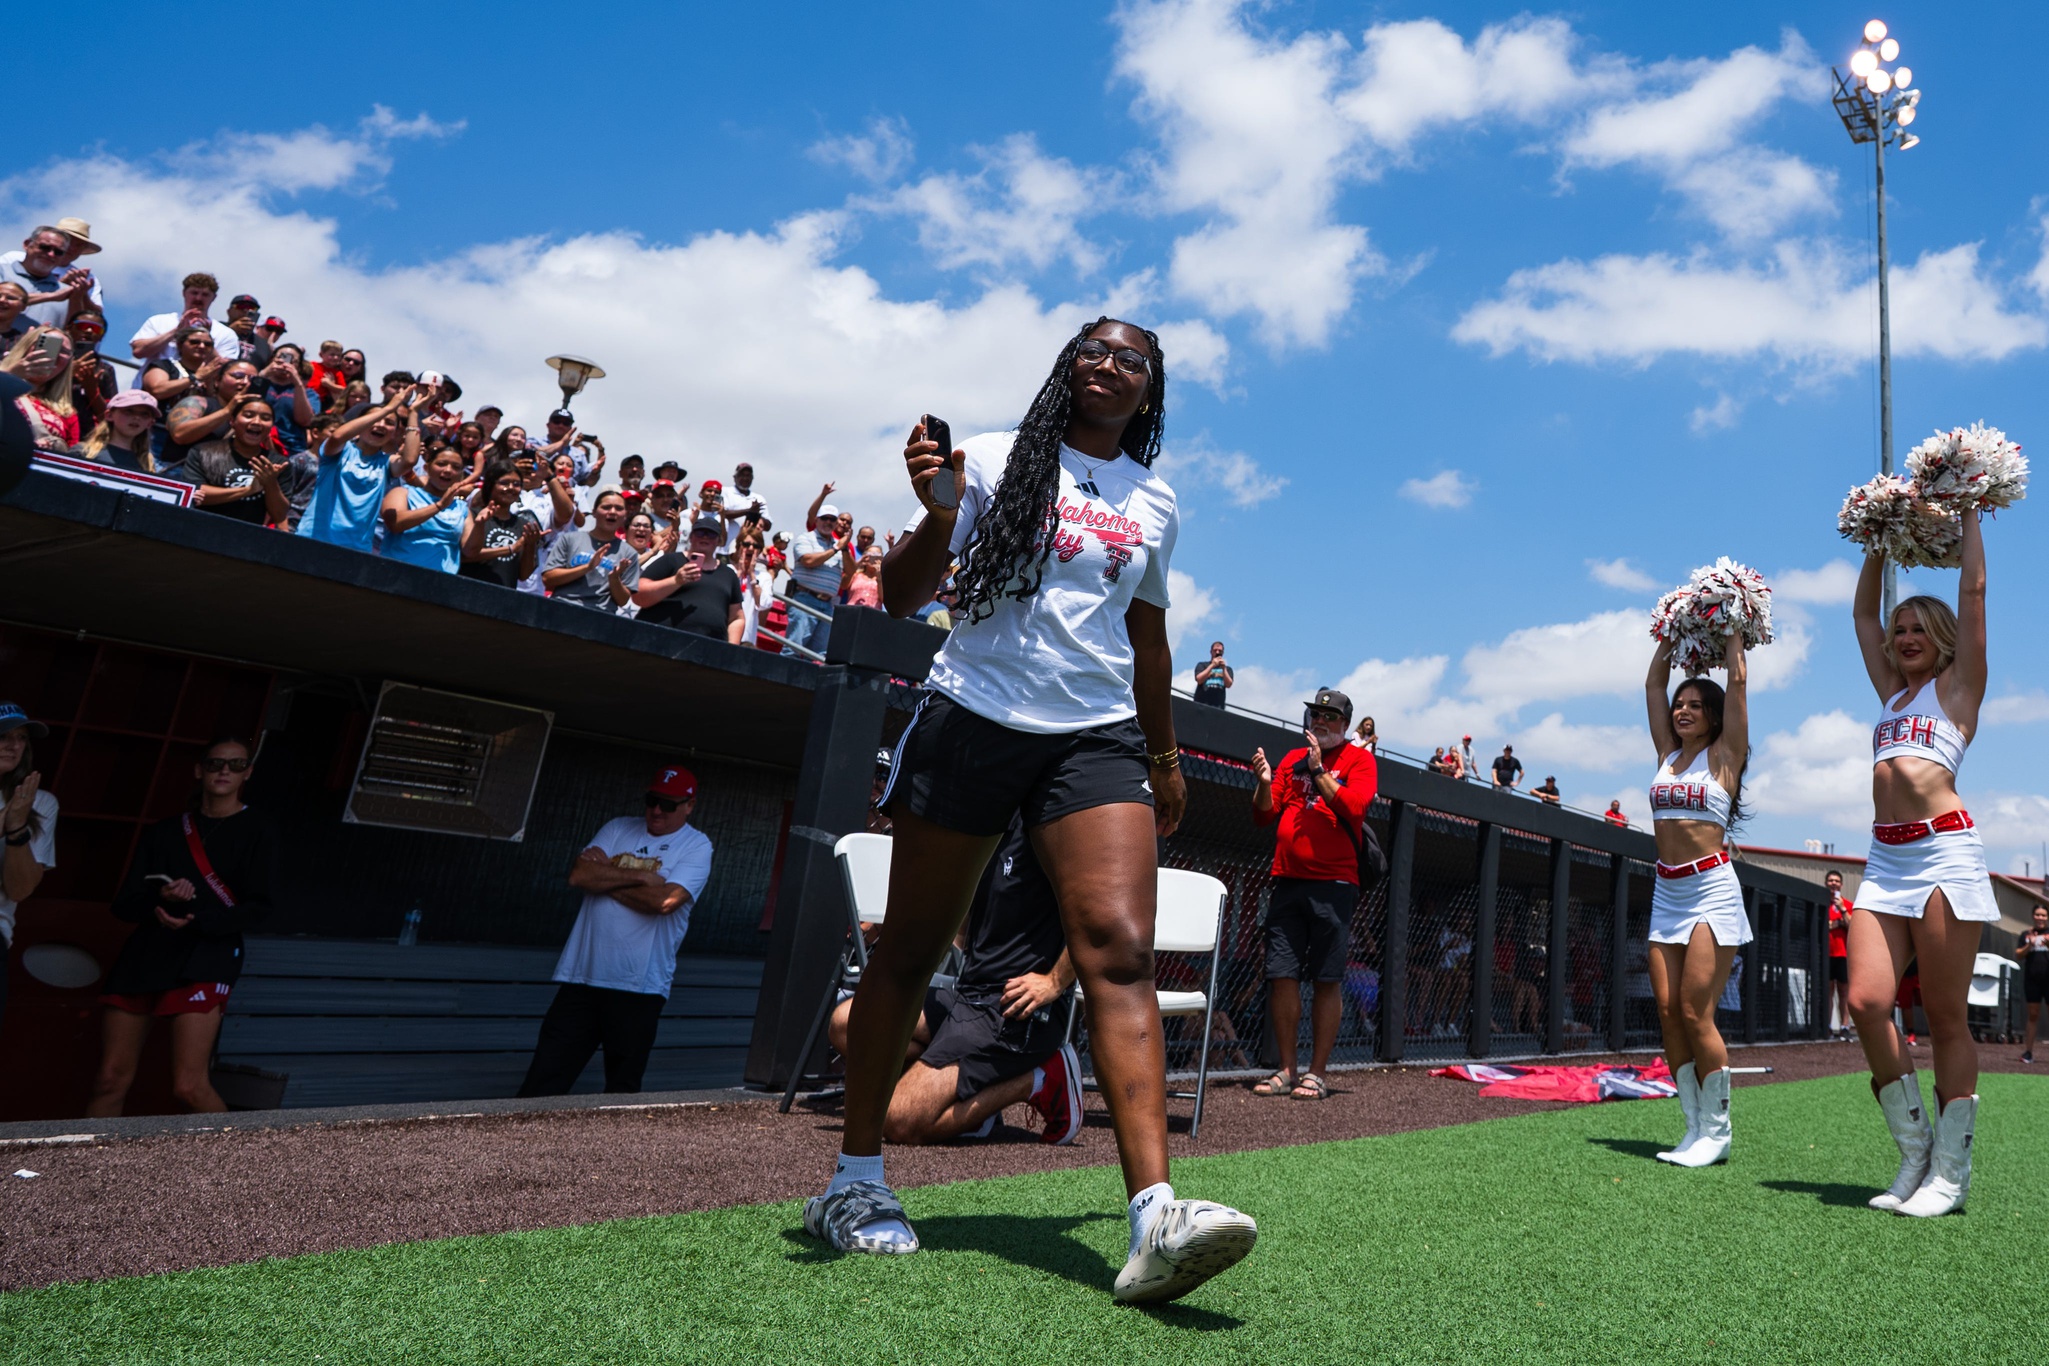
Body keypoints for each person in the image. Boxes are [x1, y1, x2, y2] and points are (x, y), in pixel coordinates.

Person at [817, 315, 1256, 1304]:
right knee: (911, 950)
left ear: (1152, 390)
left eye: (1132, 360)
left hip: (1094, 736)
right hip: (974, 715)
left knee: (1120, 948)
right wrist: (938, 508)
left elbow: (1148, 639)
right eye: (1094, 351)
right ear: (1068, 366)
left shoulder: (1155, 500)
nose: (1110, 366)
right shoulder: (990, 457)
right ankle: (853, 1184)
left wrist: (1165, 755)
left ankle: (1155, 1217)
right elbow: (898, 596)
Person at [1846, 516, 1997, 1217]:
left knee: (1941, 1016)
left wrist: (1969, 507)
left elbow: (1972, 593)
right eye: (1898, 628)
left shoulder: (1958, 689)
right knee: (1867, 1002)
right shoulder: (1890, 694)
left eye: (1916, 629)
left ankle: (1950, 1173)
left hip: (1942, 851)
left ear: (1938, 641)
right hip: (1884, 856)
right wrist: (1877, 540)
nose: (1903, 637)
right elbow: (1858, 612)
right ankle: (1912, 1153)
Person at [827, 821, 1082, 1145]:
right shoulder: (982, 828)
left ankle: (1039, 1078)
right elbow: (959, 930)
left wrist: (1055, 981)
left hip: (1016, 1009)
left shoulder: (1051, 825)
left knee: (899, 1121)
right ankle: (961, 1100)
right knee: (846, 1023)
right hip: (968, 996)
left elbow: (1101, 918)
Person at [86, 737, 276, 1117]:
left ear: (248, 773)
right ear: (198, 769)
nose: (224, 771)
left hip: (207, 954)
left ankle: (241, 1163)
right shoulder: (166, 831)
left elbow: (262, 908)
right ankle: (92, 1168)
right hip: (148, 952)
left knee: (189, 1085)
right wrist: (163, 900)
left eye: (236, 765)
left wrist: (199, 918)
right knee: (110, 1077)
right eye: (215, 763)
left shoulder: (260, 829)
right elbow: (124, 904)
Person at [516, 766, 712, 1096]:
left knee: (621, 1091)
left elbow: (664, 901)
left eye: (668, 804)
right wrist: (641, 877)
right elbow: (579, 876)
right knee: (543, 1080)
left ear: (689, 805)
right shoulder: (618, 827)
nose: (656, 811)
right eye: (652, 801)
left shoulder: (696, 845)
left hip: (638, 986)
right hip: (582, 978)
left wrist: (605, 876)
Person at [1641, 634, 1752, 1168]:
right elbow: (1652, 683)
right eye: (1679, 706)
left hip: (1711, 888)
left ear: (1713, 716)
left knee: (1694, 1010)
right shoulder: (1667, 754)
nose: (1682, 711)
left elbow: (1737, 682)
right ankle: (1692, 1127)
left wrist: (1731, 625)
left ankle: (1719, 1129)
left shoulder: (1725, 756)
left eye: (1694, 706)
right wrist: (1672, 631)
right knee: (1666, 1012)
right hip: (1667, 889)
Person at [1249, 687, 1377, 1103]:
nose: (1319, 722)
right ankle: (1286, 1068)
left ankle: (1316, 1072)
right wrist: (1265, 783)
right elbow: (1264, 815)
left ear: (1344, 725)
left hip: (1335, 885)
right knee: (1281, 974)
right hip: (1287, 879)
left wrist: (1320, 771)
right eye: (1315, 716)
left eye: (1329, 718)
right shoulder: (1289, 759)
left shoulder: (1360, 760)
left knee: (1327, 978)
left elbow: (1355, 809)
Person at [296, 383, 425, 552]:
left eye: (389, 423)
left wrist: (414, 413)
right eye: (376, 419)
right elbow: (338, 436)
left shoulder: (386, 462)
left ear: (394, 432)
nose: (381, 425)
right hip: (314, 538)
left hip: (355, 548)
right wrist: (387, 409)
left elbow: (409, 460)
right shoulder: (341, 450)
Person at [0, 703, 57, 1035]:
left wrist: (18, 830)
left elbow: (20, 889)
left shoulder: (40, 803)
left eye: (21, 737)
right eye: (4, 735)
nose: (13, 745)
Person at [183, 395, 291, 525]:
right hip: (201, 527)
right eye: (248, 415)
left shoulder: (278, 464)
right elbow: (193, 494)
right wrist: (248, 490)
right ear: (232, 421)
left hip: (247, 537)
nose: (257, 422)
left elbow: (279, 515)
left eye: (266, 418)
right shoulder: (203, 452)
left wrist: (270, 483)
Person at [635, 513, 744, 640]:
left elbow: (736, 618)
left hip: (708, 650)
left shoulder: (728, 575)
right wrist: (676, 581)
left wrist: (731, 651)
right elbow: (639, 595)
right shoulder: (670, 561)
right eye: (700, 533)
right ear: (691, 537)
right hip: (659, 641)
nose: (705, 537)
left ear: (719, 541)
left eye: (711, 534)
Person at [382, 445, 480, 573]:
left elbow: (470, 551)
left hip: (439, 583)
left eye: (456, 467)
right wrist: (439, 506)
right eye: (441, 464)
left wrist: (480, 524)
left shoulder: (462, 508)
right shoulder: (403, 493)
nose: (448, 470)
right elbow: (395, 524)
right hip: (396, 575)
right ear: (426, 467)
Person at [542, 488, 639, 611]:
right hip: (562, 608)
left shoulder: (629, 553)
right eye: (606, 507)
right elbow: (548, 579)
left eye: (619, 509)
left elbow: (623, 600)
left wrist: (614, 579)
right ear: (594, 512)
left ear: (625, 515)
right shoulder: (569, 539)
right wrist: (587, 567)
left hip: (601, 617)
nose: (613, 512)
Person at [460, 458, 543, 588]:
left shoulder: (523, 524)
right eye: (504, 483)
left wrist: (530, 545)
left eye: (516, 484)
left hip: (503, 599)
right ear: (490, 485)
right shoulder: (472, 515)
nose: (511, 488)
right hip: (467, 591)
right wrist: (510, 549)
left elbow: (523, 575)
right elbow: (465, 556)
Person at [784, 500, 849, 656]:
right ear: (817, 520)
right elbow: (808, 561)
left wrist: (844, 549)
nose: (828, 522)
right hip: (805, 598)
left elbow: (851, 572)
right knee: (794, 648)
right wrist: (835, 549)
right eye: (824, 518)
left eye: (832, 519)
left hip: (827, 604)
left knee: (818, 655)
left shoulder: (839, 546)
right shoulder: (806, 538)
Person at [130, 272, 241, 363]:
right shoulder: (159, 321)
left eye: (205, 295)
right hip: (154, 386)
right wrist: (175, 332)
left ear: (214, 298)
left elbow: (225, 370)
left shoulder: (225, 333)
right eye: (194, 292)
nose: (198, 298)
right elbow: (138, 352)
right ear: (184, 293)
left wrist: (207, 339)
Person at [3, 226, 96, 332]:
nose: (51, 254)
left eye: (58, 252)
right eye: (45, 247)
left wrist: (78, 296)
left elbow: (72, 332)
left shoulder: (65, 291)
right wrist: (51, 296)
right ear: (27, 244)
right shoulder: (3, 271)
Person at [2, 327, 80, 453]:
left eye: (64, 351)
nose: (54, 354)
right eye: (48, 345)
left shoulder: (67, 413)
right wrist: (10, 376)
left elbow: (71, 457)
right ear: (26, 347)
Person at [79, 390, 163, 473]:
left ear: (150, 423)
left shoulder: (147, 465)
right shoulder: (83, 452)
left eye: (144, 414)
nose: (137, 417)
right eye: (128, 411)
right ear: (109, 415)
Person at [1825, 870, 1852, 1039]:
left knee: (1844, 992)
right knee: (1828, 991)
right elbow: (1825, 925)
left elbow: (1851, 926)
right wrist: (1837, 923)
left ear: (1841, 884)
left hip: (1843, 954)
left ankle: (1845, 1025)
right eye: (1830, 880)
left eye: (1836, 881)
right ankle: (1827, 1025)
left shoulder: (1848, 904)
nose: (1833, 883)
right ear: (1826, 883)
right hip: (1826, 954)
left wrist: (1842, 911)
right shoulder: (1822, 903)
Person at [1193, 642, 1233, 709]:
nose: (1217, 652)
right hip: (1201, 705)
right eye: (1215, 650)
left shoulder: (1228, 669)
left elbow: (1229, 684)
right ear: (1211, 652)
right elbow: (1199, 680)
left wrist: (1223, 668)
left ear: (1223, 653)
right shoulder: (1202, 665)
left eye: (1220, 651)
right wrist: (1212, 665)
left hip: (1218, 707)